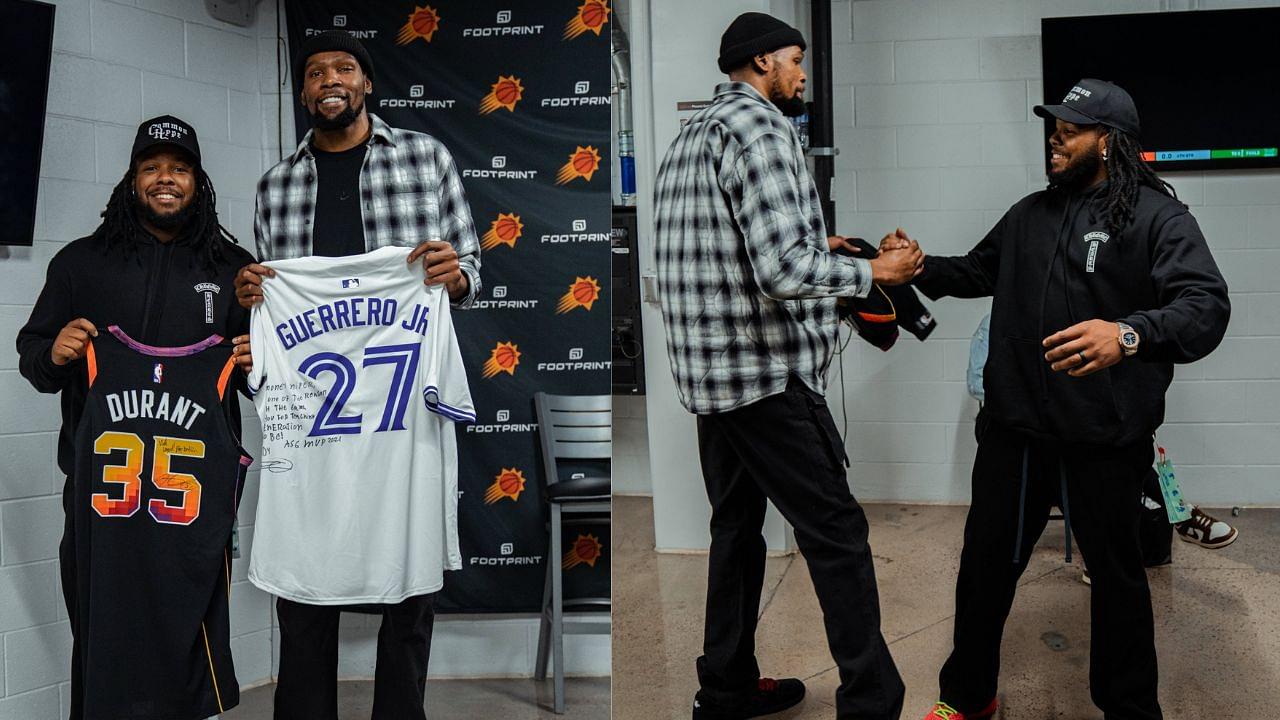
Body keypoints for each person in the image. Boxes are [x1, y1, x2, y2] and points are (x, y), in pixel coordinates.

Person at [914, 79, 1230, 719]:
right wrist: (915, 267)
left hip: (1104, 443)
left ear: (1109, 142)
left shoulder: (1159, 218)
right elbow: (978, 270)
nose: (1055, 136)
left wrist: (1128, 334)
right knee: (983, 574)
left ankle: (1129, 708)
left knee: (1118, 583)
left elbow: (1206, 306)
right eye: (1052, 126)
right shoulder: (1031, 212)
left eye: (1071, 128)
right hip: (1015, 436)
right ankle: (968, 700)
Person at [653, 12, 923, 720]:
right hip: (763, 373)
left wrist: (822, 241)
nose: (803, 74)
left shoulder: (693, 135)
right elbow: (780, 271)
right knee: (836, 532)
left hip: (710, 379)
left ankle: (726, 690)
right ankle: (872, 703)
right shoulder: (764, 129)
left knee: (736, 532)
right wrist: (878, 272)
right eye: (796, 60)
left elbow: (731, 242)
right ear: (763, 62)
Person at [231, 30, 480, 720]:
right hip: (315, 402)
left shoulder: (425, 159)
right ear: (304, 91)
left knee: (409, 581)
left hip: (402, 401)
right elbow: (270, 302)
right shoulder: (277, 184)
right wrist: (253, 296)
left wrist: (453, 276)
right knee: (307, 572)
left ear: (366, 84)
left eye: (343, 69)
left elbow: (471, 269)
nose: (328, 81)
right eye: (315, 73)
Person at [16, 115, 254, 718]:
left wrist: (261, 363)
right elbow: (34, 360)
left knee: (189, 644)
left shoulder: (233, 270)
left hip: (192, 501)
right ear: (131, 180)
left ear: (198, 183)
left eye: (179, 169)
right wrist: (52, 353)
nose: (165, 179)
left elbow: (265, 386)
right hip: (103, 499)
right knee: (101, 640)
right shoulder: (80, 263)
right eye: (152, 168)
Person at [965, 313, 1239, 588]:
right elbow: (978, 384)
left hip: (1075, 425)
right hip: (1014, 428)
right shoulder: (994, 322)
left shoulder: (1079, 316)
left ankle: (1172, 518)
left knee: (1111, 454)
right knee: (1065, 462)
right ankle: (1181, 516)